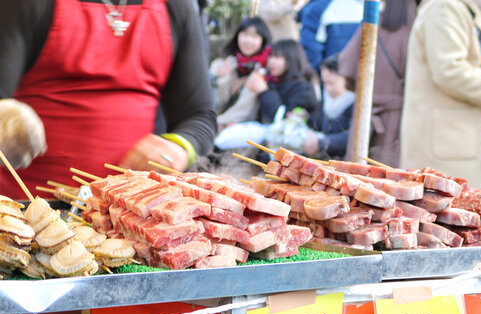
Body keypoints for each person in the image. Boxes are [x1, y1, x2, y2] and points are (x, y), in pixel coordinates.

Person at [0, 0, 216, 200]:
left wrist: (177, 148)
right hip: (26, 209)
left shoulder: (176, 6)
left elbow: (199, 117)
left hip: (129, 217)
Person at [399, 0, 481, 190]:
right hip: (443, 147)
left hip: (467, 144)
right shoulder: (446, 7)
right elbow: (449, 72)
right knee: (442, 213)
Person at [339, 0, 416, 167]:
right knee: (391, 183)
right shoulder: (417, 28)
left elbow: (347, 71)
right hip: (401, 120)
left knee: (356, 182)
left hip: (365, 114)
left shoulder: (372, 23)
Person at [215, 39, 319, 150]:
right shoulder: (271, 81)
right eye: (270, 56)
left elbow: (282, 120)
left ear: (292, 59)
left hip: (295, 140)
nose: (271, 62)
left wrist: (264, 91)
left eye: (277, 57)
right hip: (268, 135)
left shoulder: (304, 88)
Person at [209, 17, 272, 126]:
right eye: (245, 34)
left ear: (263, 40)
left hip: (239, 128)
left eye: (254, 36)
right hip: (212, 122)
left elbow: (246, 111)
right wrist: (217, 77)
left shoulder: (265, 70)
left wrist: (218, 123)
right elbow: (205, 97)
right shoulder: (222, 64)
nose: (248, 40)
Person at [304, 55, 355, 158]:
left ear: (346, 78)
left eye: (332, 83)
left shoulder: (356, 104)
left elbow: (352, 136)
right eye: (325, 83)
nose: (328, 88)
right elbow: (318, 124)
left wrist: (322, 143)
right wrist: (307, 118)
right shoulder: (326, 100)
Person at [297, 0, 364, 72]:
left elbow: (310, 51)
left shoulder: (316, 9)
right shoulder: (372, 8)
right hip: (360, 76)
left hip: (332, 76)